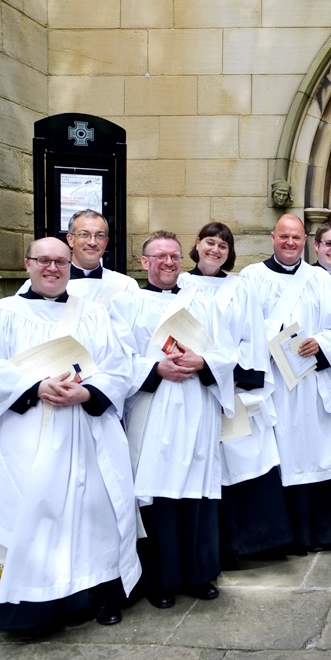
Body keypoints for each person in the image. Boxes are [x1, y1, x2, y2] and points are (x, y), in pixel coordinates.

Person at [0, 237, 140, 635]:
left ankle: (91, 596)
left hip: (85, 429)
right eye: (43, 261)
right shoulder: (0, 313)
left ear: (70, 265)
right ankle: (33, 610)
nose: (52, 268)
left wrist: (87, 392)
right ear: (27, 264)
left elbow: (120, 368)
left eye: (60, 262)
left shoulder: (95, 315)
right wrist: (34, 387)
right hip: (27, 433)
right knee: (33, 511)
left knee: (91, 513)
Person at [115, 230, 238, 609]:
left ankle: (200, 574)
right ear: (144, 262)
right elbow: (116, 358)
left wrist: (204, 362)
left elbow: (227, 348)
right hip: (153, 408)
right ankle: (161, 581)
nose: (168, 263)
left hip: (196, 406)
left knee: (196, 489)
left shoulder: (200, 301)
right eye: (160, 257)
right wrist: (156, 368)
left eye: (173, 257)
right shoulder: (127, 304)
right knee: (158, 493)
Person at [176, 223, 295, 566]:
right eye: (210, 242)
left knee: (246, 461)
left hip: (235, 387)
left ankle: (249, 545)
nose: (215, 250)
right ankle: (210, 549)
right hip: (191, 388)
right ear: (196, 244)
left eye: (223, 246)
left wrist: (230, 374)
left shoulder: (240, 288)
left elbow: (252, 338)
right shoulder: (181, 286)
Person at [241, 213, 331, 551]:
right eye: (284, 236)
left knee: (319, 453)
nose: (290, 243)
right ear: (273, 237)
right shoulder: (252, 277)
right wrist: (269, 338)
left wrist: (322, 343)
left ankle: (321, 534)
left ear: (305, 241)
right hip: (276, 385)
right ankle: (285, 539)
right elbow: (242, 330)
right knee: (282, 455)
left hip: (312, 382)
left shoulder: (319, 279)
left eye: (297, 238)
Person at [19, 210, 138, 303]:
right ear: (70, 240)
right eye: (84, 234)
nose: (92, 242)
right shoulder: (41, 284)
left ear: (106, 242)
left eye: (99, 235)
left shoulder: (124, 285)